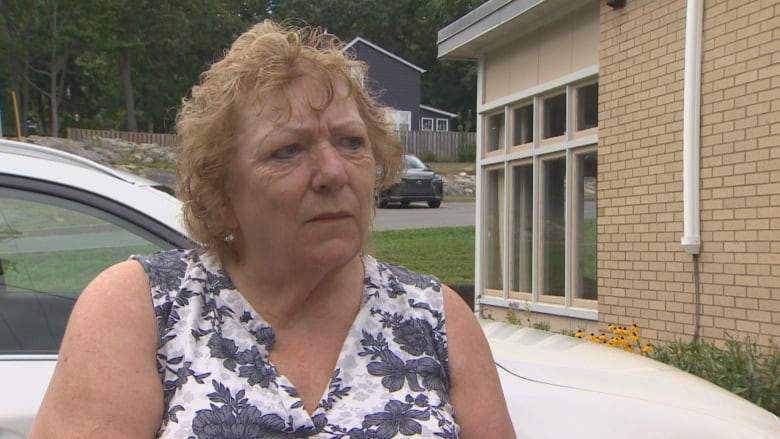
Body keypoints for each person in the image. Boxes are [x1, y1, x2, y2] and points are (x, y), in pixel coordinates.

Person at [29, 20, 514, 439]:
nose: (333, 173)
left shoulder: (436, 319)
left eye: (350, 142)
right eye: (288, 150)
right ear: (223, 194)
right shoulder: (142, 308)